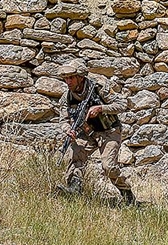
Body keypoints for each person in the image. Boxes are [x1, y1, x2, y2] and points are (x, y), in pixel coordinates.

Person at [55, 59, 134, 206]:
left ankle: (127, 195)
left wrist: (101, 108)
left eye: (71, 77)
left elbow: (122, 104)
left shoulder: (98, 88)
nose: (68, 81)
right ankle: (74, 189)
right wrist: (68, 130)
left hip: (109, 131)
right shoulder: (67, 97)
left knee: (108, 166)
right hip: (86, 132)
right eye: (66, 78)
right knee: (74, 154)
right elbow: (63, 120)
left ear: (81, 77)